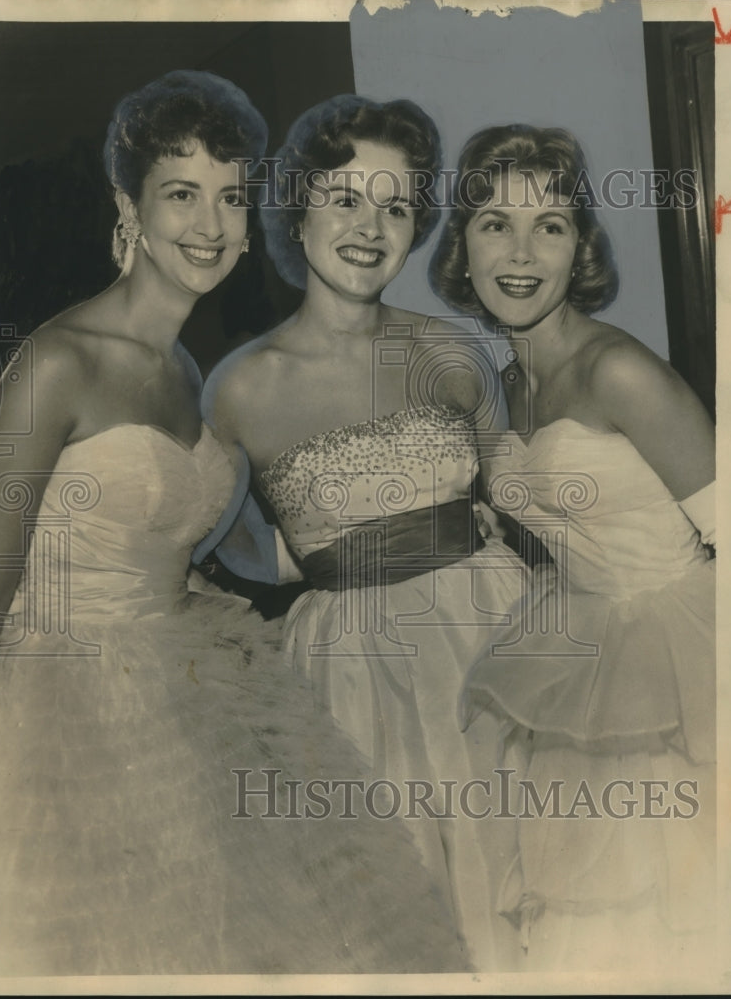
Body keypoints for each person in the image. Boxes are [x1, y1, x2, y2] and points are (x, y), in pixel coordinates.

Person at [0, 71, 466, 977]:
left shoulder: (190, 370)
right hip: (67, 717)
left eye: (232, 198)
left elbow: (180, 542)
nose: (210, 226)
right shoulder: (56, 362)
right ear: (128, 206)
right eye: (181, 195)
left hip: (189, 689)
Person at [205, 94, 532, 971]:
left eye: (395, 205)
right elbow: (230, 553)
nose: (370, 226)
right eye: (346, 198)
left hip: (493, 642)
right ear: (297, 208)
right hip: (348, 676)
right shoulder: (235, 389)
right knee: (396, 912)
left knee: (524, 888)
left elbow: (530, 502)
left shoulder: (456, 350)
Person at [429, 123, 716, 971]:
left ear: (577, 246)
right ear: (462, 247)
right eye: (494, 225)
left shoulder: (617, 370)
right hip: (573, 657)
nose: (521, 253)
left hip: (675, 668)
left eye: (548, 226)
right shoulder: (512, 382)